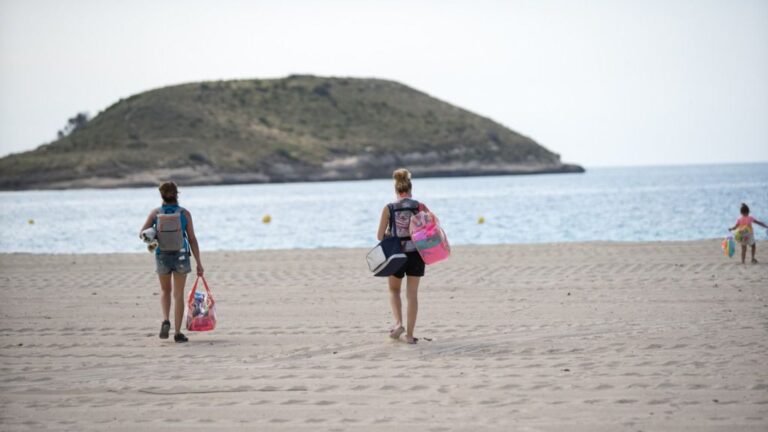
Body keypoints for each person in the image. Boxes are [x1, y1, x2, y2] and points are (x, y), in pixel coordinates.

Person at [139, 181, 204, 343]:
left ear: (161, 195)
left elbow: (142, 234)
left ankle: (165, 319)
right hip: (181, 255)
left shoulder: (155, 213)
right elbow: (192, 239)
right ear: (177, 194)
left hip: (162, 255)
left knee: (165, 291)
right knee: (178, 295)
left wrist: (153, 234)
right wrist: (199, 262)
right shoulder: (184, 213)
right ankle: (177, 332)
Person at [377, 168, 429, 344]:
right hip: (417, 254)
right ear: (410, 188)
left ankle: (398, 323)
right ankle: (410, 335)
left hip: (397, 255)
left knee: (394, 290)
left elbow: (379, 236)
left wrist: (392, 235)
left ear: (396, 190)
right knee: (412, 294)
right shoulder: (419, 206)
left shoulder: (389, 208)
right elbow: (431, 227)